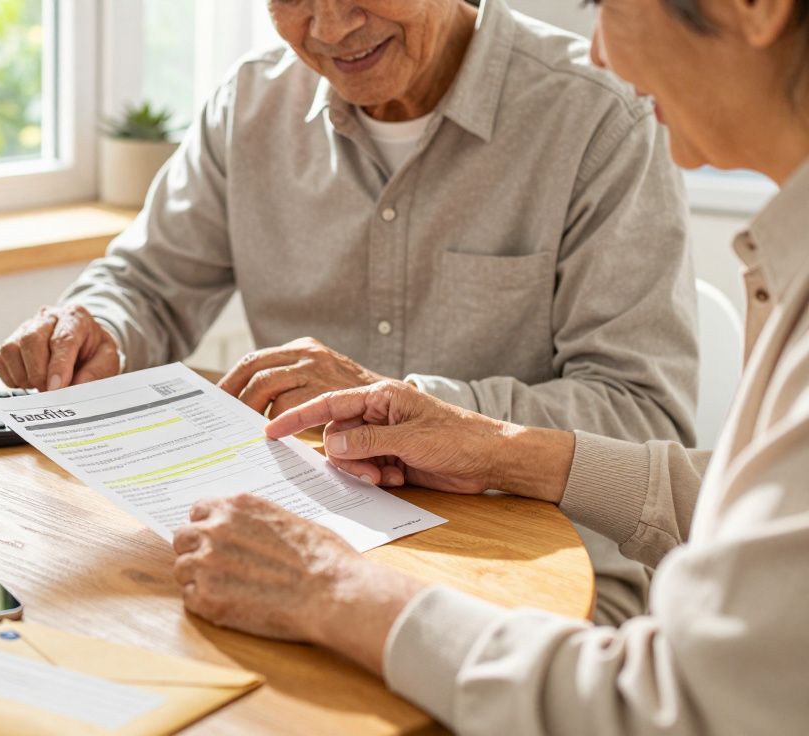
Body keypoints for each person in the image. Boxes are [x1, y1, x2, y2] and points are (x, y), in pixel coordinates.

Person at [171, 0, 809, 729]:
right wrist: (494, 447)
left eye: (606, 5)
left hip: (550, 608)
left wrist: (330, 585)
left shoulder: (594, 114)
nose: (599, 52)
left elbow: (676, 706)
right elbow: (743, 501)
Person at [0, 0, 698, 624]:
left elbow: (641, 412)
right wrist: (96, 326)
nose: (329, 27)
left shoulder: (602, 114)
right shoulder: (250, 103)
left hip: (542, 579)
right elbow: (145, 283)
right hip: (296, 550)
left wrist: (424, 414)